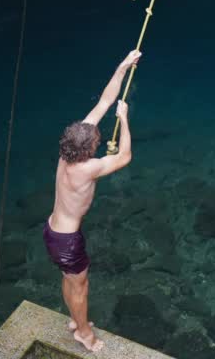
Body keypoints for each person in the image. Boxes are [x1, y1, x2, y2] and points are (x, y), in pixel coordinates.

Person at [43, 49, 140, 353]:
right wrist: (124, 120)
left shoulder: (68, 151)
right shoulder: (87, 169)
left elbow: (104, 102)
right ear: (86, 150)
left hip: (53, 231)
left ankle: (75, 321)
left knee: (70, 281)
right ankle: (84, 333)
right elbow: (124, 157)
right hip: (67, 241)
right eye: (96, 141)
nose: (97, 138)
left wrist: (122, 67)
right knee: (81, 287)